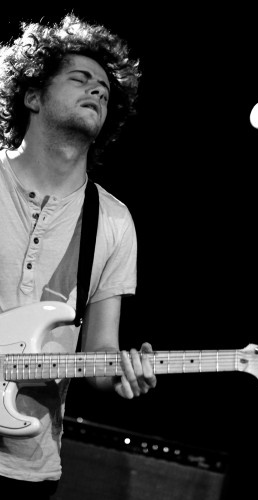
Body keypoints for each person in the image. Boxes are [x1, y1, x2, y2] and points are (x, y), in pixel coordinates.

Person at [0, 13, 156, 498]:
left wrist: (121, 374)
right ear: (32, 96)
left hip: (26, 467)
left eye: (104, 91)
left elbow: (100, 351)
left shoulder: (113, 221)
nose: (96, 91)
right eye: (80, 79)